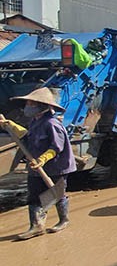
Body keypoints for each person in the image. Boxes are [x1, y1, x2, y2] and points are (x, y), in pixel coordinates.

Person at [0, 88, 76, 240]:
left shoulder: (52, 124)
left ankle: (63, 219)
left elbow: (57, 147)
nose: (27, 106)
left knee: (56, 193)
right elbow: (27, 136)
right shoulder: (35, 121)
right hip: (36, 166)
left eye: (31, 103)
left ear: (42, 106)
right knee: (34, 195)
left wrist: (42, 160)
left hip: (56, 167)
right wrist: (9, 125)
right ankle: (37, 226)